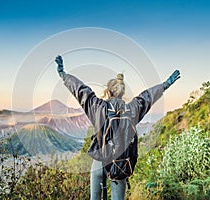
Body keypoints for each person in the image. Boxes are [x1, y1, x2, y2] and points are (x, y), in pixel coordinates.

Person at [55, 55, 180, 200]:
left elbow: (81, 90)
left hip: (100, 161)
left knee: (94, 196)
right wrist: (165, 84)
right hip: (120, 163)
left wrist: (63, 75)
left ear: (108, 92)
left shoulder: (98, 108)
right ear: (122, 93)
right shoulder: (132, 109)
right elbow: (147, 97)